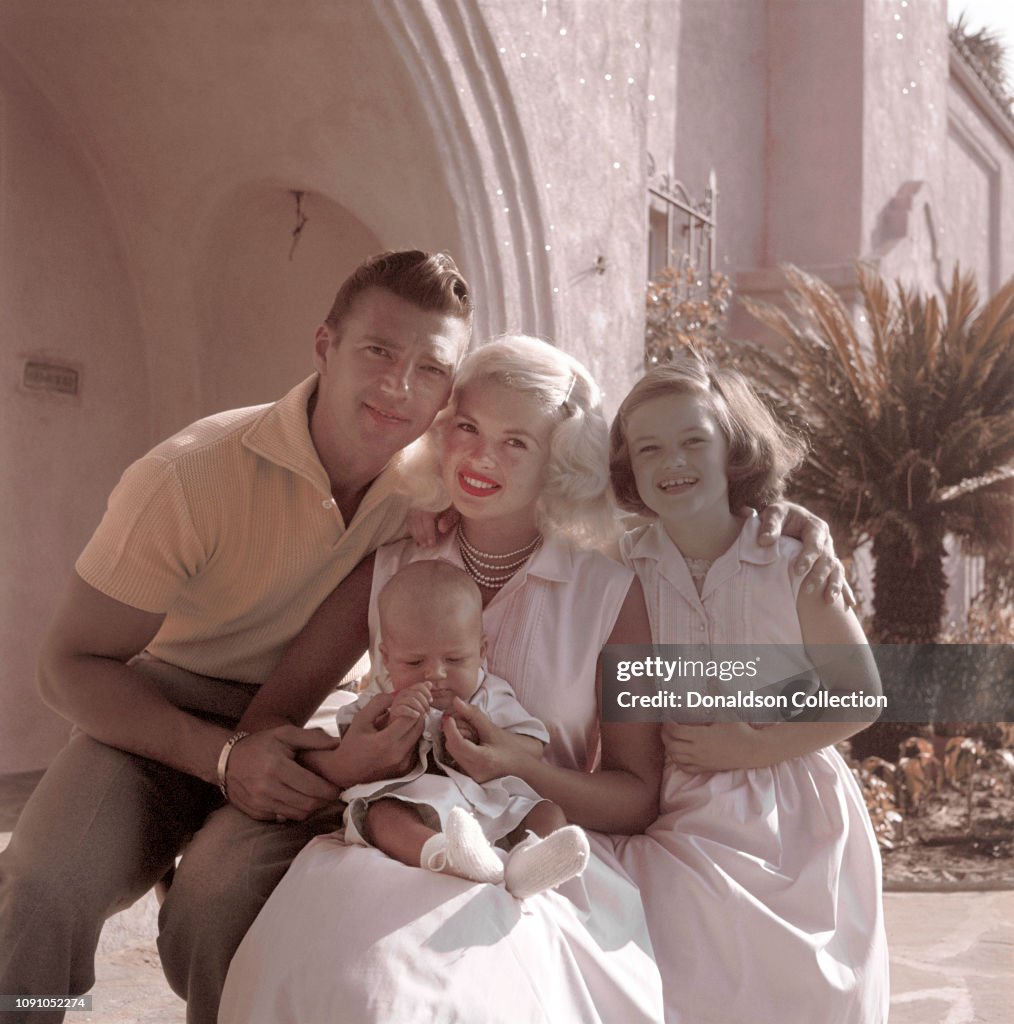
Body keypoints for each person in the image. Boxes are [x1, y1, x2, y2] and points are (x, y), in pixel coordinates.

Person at [219, 336, 848, 1023]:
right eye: (467, 428)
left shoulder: (610, 590)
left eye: (518, 442)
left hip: (536, 861)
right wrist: (349, 762)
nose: (482, 458)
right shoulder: (394, 565)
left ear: (561, 460)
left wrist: (525, 768)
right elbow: (267, 725)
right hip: (391, 854)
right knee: (366, 985)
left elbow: (636, 798)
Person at [0, 250, 474, 1024]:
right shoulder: (189, 475)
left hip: (308, 721)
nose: (399, 386)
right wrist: (219, 758)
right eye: (378, 352)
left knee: (214, 911)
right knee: (42, 888)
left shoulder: (431, 487)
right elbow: (67, 667)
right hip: (156, 711)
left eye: (430, 368)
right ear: (324, 344)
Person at [607, 358, 890, 1024]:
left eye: (694, 440)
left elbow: (861, 695)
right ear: (629, 470)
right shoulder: (623, 567)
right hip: (682, 801)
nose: (673, 460)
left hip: (794, 808)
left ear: (733, 448)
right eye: (649, 448)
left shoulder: (790, 563)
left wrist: (753, 747)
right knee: (680, 970)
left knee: (809, 991)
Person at [333, 559, 591, 898]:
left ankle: (528, 865)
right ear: (386, 657)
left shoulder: (489, 694)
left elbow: (533, 745)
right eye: (413, 662)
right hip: (413, 800)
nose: (435, 674)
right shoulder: (383, 694)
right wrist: (388, 721)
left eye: (454, 660)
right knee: (380, 816)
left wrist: (490, 741)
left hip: (488, 802)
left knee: (547, 811)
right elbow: (350, 739)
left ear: (481, 652)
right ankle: (444, 856)